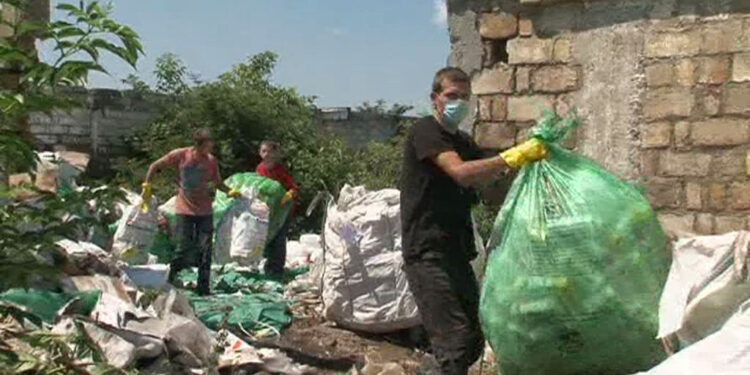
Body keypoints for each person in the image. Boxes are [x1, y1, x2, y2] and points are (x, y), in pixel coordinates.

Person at [400, 67, 548, 375]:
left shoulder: (464, 143)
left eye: (465, 98)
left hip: (456, 250)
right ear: (435, 99)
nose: (459, 103)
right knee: (453, 341)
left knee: (472, 340)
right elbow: (462, 173)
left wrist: (539, 163)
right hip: (427, 252)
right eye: (452, 96)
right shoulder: (426, 132)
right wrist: (513, 156)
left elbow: (489, 178)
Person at [142, 128, 240, 295]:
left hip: (205, 210)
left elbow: (218, 182)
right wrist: (147, 185)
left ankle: (203, 287)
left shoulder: (211, 161)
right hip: (184, 208)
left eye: (211, 146)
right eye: (207, 146)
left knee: (205, 249)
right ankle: (169, 277)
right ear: (199, 144)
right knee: (184, 247)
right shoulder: (181, 155)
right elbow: (155, 166)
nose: (209, 150)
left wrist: (230, 191)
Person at [256, 140, 298, 279]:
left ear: (275, 153)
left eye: (269, 151)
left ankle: (277, 269)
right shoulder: (260, 169)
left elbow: (293, 187)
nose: (266, 154)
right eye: (263, 151)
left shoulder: (280, 170)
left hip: (282, 209)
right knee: (267, 238)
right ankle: (268, 266)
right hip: (267, 210)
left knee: (279, 239)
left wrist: (289, 194)